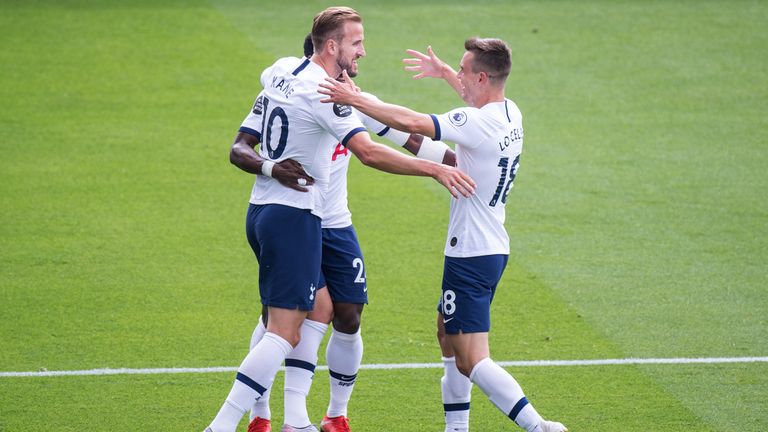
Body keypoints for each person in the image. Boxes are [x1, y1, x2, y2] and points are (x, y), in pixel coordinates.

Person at [205, 7, 474, 432]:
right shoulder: (325, 96)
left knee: (335, 309)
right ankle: (248, 420)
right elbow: (369, 152)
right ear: (331, 49)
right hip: (294, 215)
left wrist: (462, 161)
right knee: (283, 324)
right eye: (356, 44)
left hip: (314, 217)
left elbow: (409, 136)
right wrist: (439, 171)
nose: (363, 53)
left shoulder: (285, 75)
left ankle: (316, 417)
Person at [318, 38, 568, 432]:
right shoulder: (509, 113)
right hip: (491, 247)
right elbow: (473, 102)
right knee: (446, 333)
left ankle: (539, 426)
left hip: (470, 253)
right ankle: (457, 428)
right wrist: (448, 75)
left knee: (472, 359)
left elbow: (415, 124)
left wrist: (357, 100)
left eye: (464, 70)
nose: (460, 76)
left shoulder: (476, 123)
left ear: (483, 76)